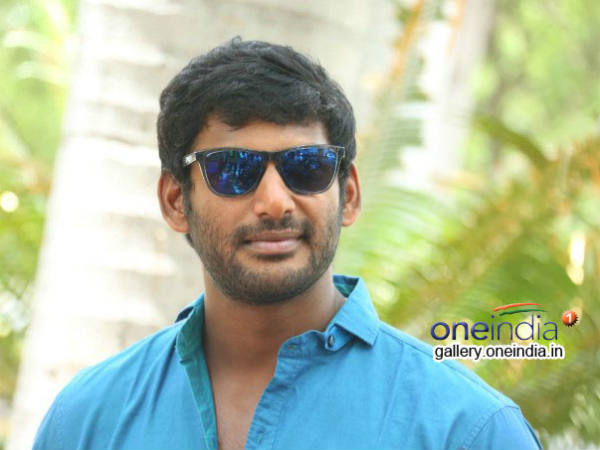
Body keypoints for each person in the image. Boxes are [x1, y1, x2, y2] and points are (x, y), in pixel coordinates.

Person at [33, 38, 542, 450]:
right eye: (233, 170)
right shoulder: (86, 421)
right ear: (174, 201)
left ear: (348, 195)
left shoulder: (468, 430)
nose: (275, 202)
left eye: (307, 167)